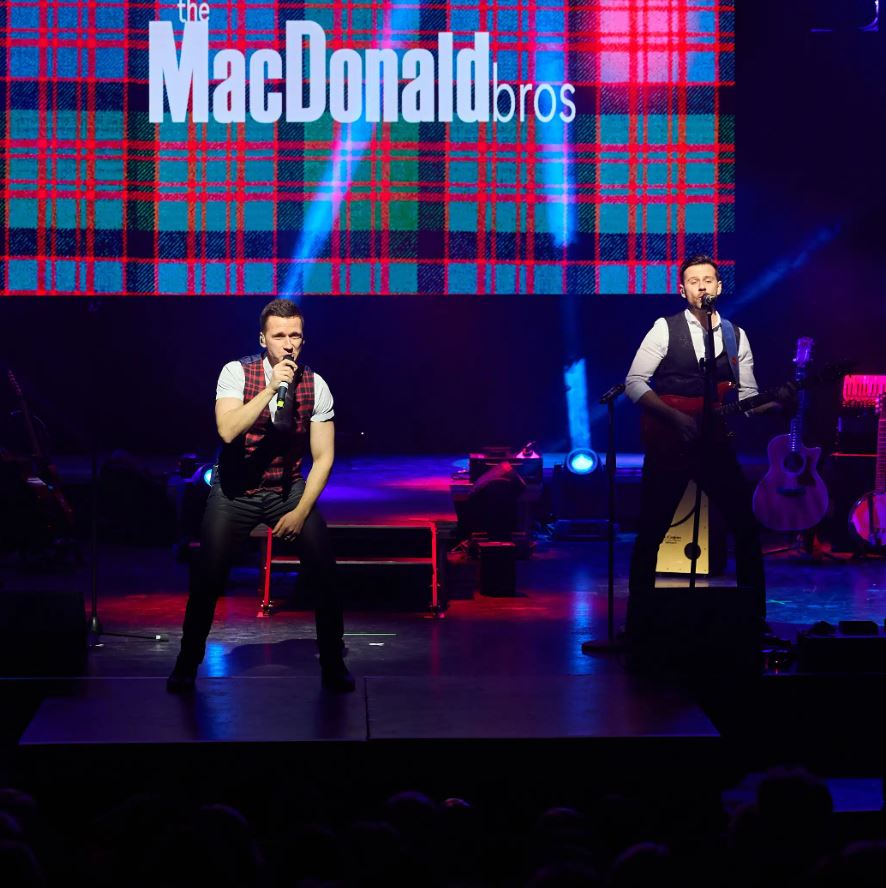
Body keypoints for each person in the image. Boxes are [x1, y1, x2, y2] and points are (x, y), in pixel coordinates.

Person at [167, 299, 354, 693]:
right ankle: (187, 663)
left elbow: (324, 458)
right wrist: (271, 388)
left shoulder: (316, 384)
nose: (289, 345)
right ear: (263, 338)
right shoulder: (237, 373)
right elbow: (228, 430)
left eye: (296, 336)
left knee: (325, 571)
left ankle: (333, 663)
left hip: (286, 489)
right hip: (235, 490)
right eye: (280, 336)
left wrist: (301, 511)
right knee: (208, 577)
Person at [624, 255, 791, 638]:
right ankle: (640, 623)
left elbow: (746, 399)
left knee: (745, 529)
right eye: (694, 281)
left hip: (714, 446)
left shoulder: (735, 336)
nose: (702, 286)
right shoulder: (663, 330)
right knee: (652, 528)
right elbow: (635, 384)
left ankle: (753, 618)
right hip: (671, 441)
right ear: (682, 290)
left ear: (719, 287)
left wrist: (778, 403)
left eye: (708, 280)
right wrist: (675, 418)